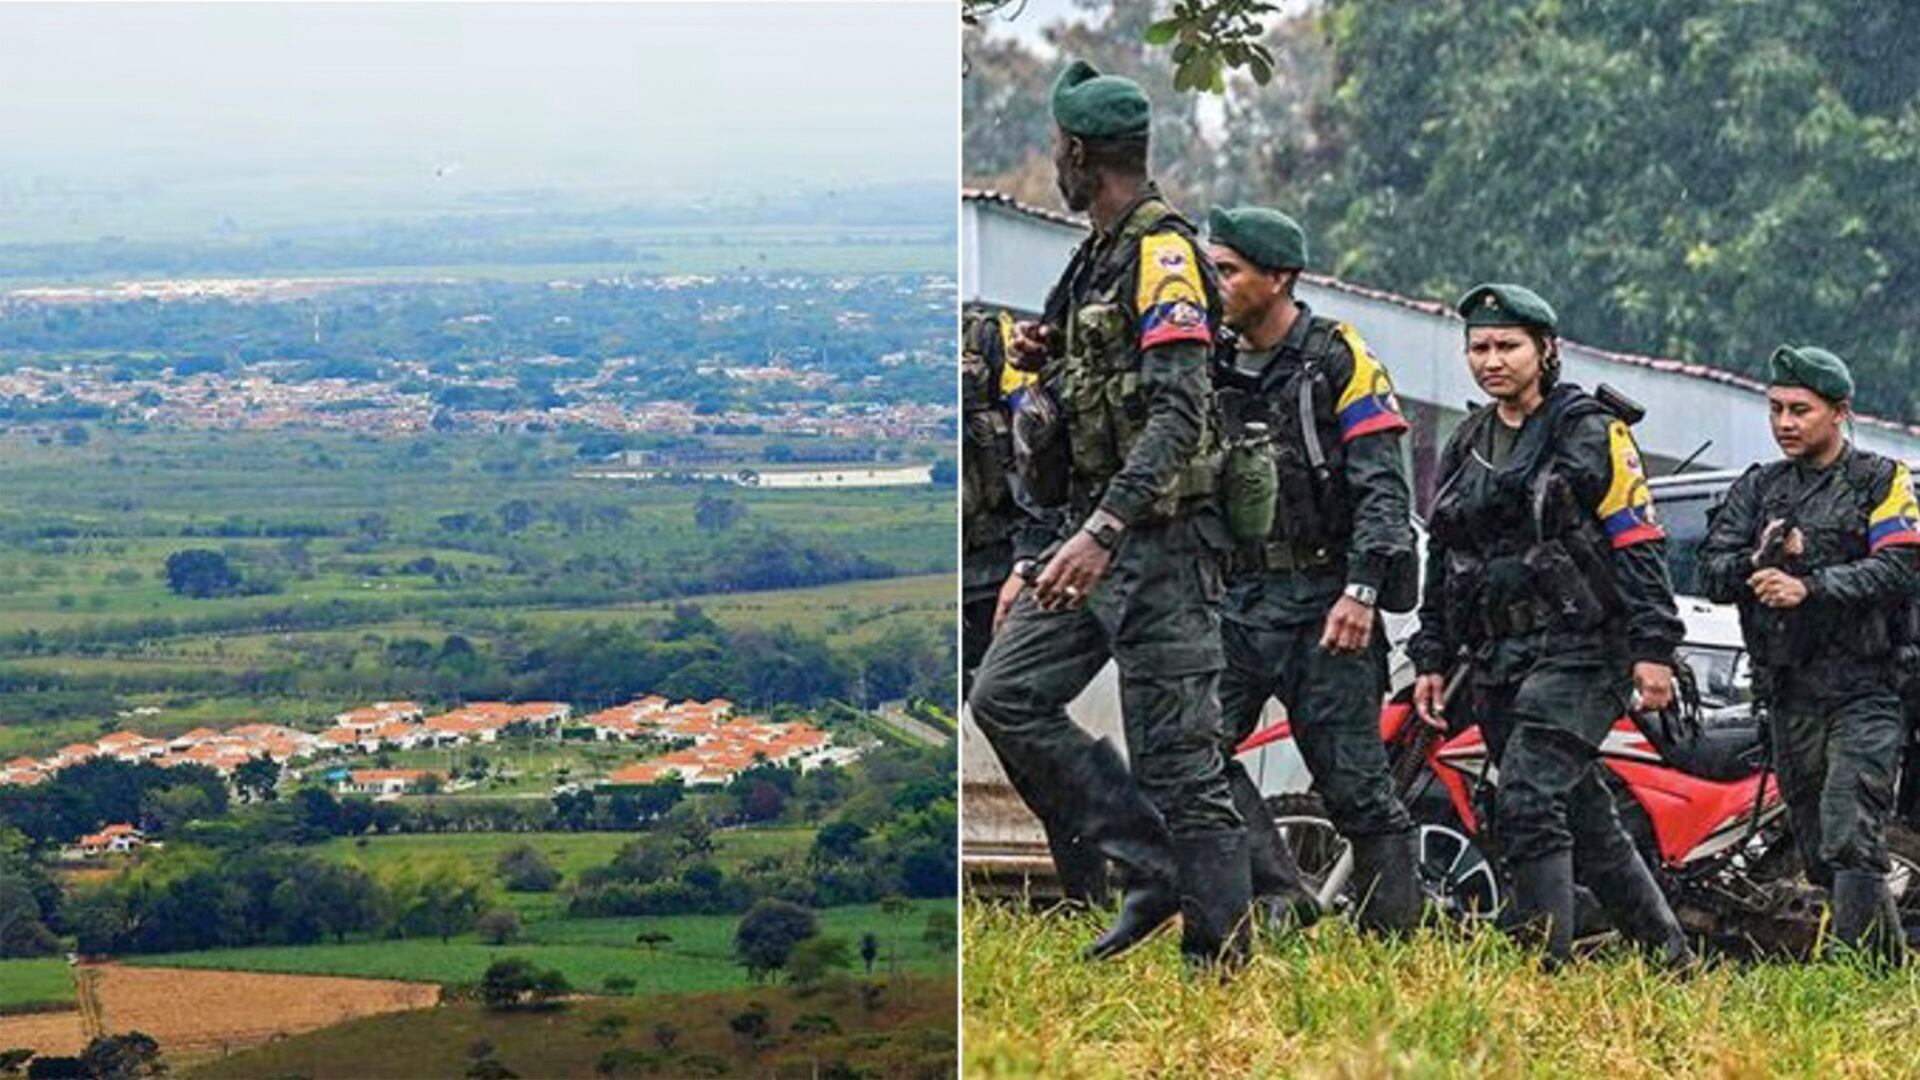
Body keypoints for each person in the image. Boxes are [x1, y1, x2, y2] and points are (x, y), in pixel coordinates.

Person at [967, 59, 1251, 970]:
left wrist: (1102, 531)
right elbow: (1096, 385)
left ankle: (1220, 961)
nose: (1054, 159)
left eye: (1058, 146)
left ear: (1083, 154)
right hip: (1086, 533)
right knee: (1005, 696)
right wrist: (1048, 354)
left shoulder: (1164, 255)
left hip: (1158, 545)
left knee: (1182, 762)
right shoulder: (1096, 253)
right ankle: (1149, 864)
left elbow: (1181, 412)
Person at [1407, 283, 1693, 970]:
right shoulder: (1470, 439)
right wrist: (1432, 654)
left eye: (1507, 346)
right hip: (1499, 653)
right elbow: (1445, 554)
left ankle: (1540, 966)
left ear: (1545, 349)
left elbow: (1638, 542)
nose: (1491, 360)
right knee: (1585, 814)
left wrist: (1654, 649)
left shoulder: (1591, 431)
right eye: (1479, 347)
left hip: (1584, 648)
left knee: (1529, 796)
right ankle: (1668, 956)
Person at [1204, 206, 1420, 934]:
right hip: (1237, 600)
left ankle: (1395, 945)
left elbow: (1383, 488)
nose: (1213, 283)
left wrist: (1362, 591)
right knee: (1188, 751)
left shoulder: (1338, 358)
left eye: (1228, 270)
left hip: (1327, 604)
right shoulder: (1208, 359)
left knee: (1357, 791)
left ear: (1279, 277)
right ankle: (1282, 889)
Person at [1697, 345, 1919, 963]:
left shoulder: (1880, 480)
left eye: (1801, 409)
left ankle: (1861, 972)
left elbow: (1901, 567)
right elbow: (1711, 569)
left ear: (1839, 412)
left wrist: (1809, 580)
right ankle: (1884, 965)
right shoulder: (1759, 488)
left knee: (1852, 830)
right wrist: (1757, 562)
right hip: (1790, 689)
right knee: (1819, 843)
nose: (1785, 422)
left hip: (1866, 688)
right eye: (1776, 409)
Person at [960, 306, 1108, 907]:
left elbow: (1041, 455)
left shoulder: (990, 339)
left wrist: (1027, 562)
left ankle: (1088, 897)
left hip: (995, 575)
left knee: (1025, 745)